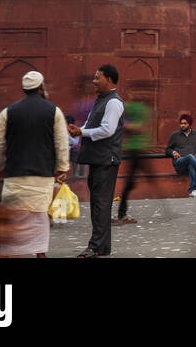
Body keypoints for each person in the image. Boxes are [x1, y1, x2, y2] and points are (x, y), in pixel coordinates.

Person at [0, 71, 70, 257]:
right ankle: (39, 254)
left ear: (24, 89)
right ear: (41, 88)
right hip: (41, 179)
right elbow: (61, 142)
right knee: (39, 221)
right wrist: (62, 168)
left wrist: (1, 164)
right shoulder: (54, 111)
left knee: (12, 221)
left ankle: (9, 253)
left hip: (14, 176)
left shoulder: (7, 112)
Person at [67, 64, 124, 258]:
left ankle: (94, 247)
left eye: (97, 77)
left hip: (106, 160)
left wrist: (82, 131)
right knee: (99, 203)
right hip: (98, 159)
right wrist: (77, 131)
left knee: (100, 204)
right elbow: (90, 125)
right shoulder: (102, 101)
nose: (94, 81)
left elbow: (107, 130)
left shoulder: (114, 103)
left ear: (108, 79)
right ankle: (103, 247)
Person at [115, 99, 149, 224]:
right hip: (133, 150)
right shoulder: (129, 106)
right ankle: (121, 214)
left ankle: (121, 213)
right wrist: (133, 127)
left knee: (131, 183)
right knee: (129, 182)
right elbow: (120, 120)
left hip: (139, 150)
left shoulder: (144, 108)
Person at [165, 114, 196, 197]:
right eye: (181, 123)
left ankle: (193, 190)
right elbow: (167, 149)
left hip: (190, 163)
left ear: (190, 124)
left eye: (185, 123)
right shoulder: (174, 135)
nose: (182, 125)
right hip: (179, 163)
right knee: (190, 156)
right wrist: (173, 152)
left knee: (191, 164)